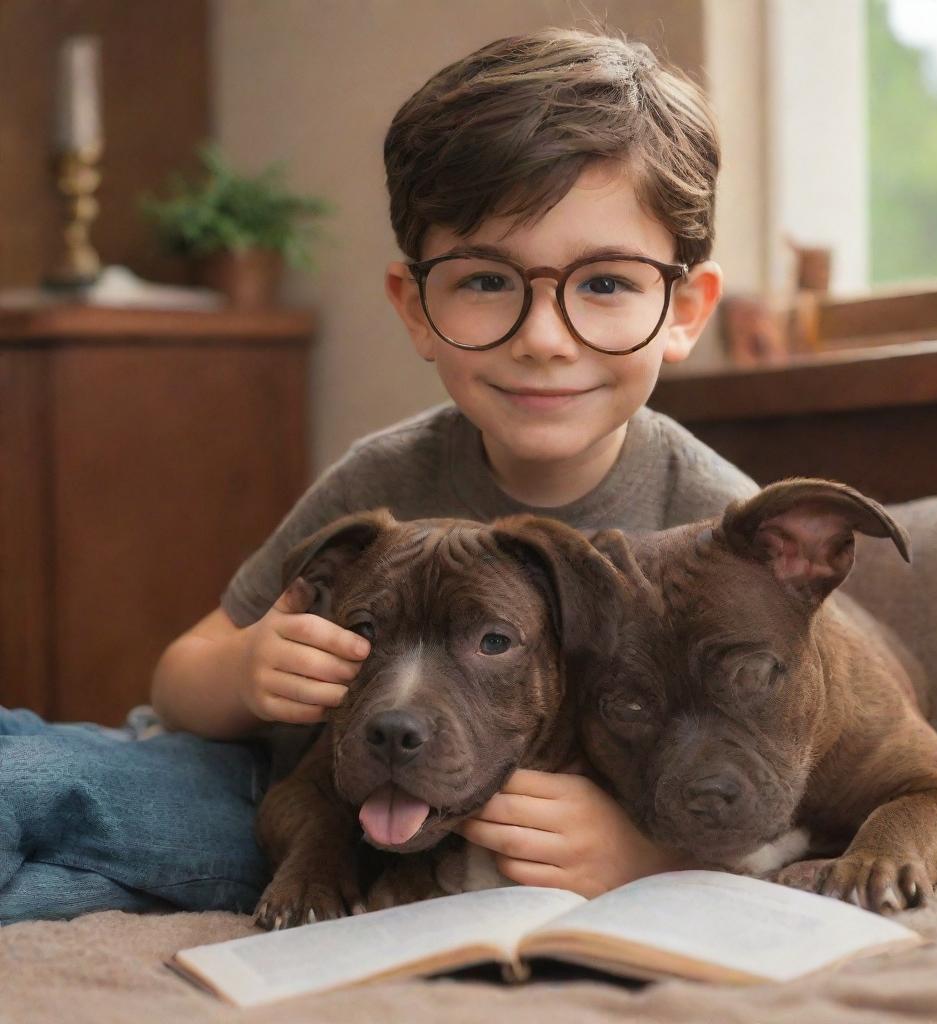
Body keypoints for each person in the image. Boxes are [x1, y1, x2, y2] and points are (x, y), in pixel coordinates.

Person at [0, 27, 756, 923]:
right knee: (31, 774)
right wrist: (248, 671)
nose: (544, 337)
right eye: (484, 281)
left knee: (51, 864)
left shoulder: (720, 529)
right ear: (416, 308)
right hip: (273, 798)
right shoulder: (385, 478)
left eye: (605, 285)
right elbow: (180, 678)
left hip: (402, 849)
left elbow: (795, 771)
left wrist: (650, 854)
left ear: (686, 309)